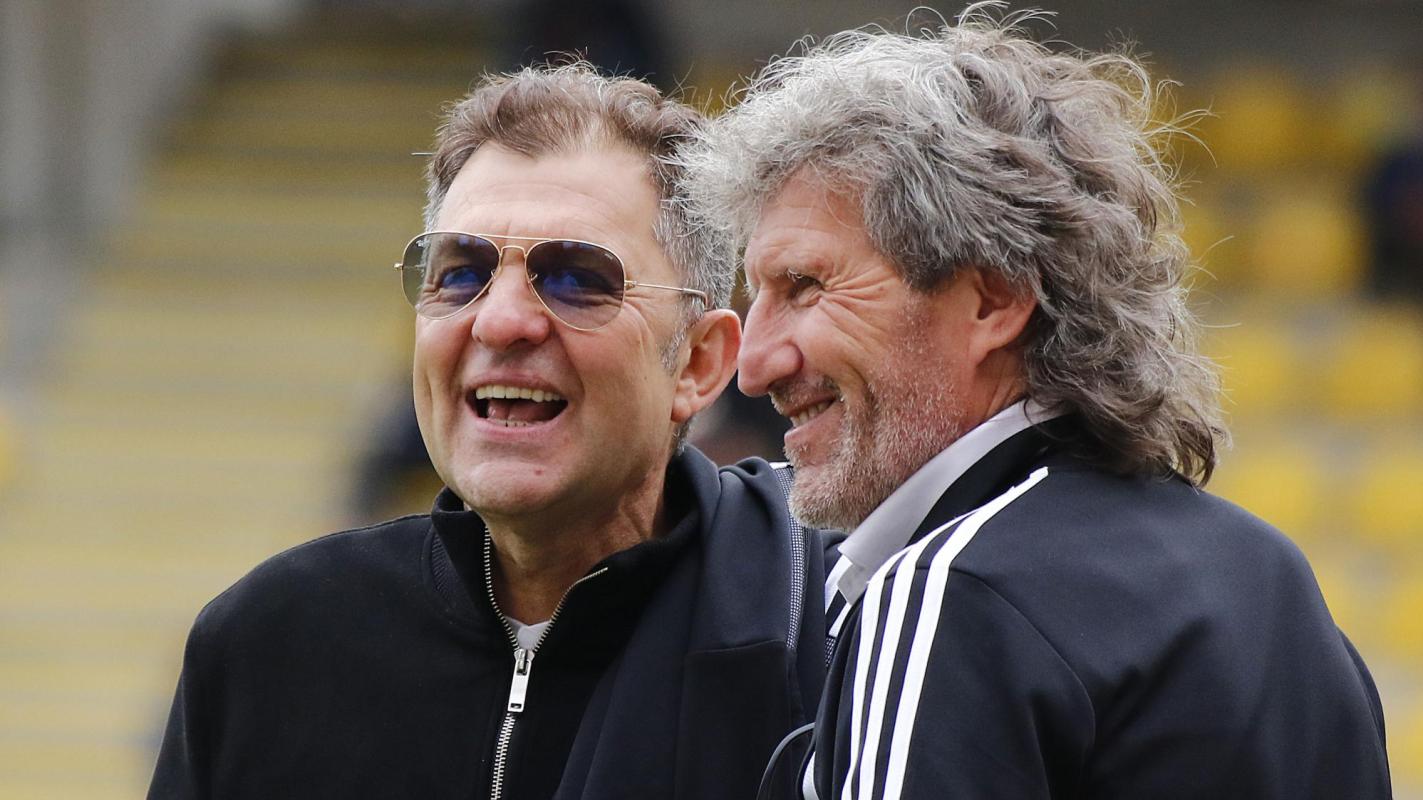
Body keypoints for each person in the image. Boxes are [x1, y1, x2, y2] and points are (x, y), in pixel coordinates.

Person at [677, 7, 1391, 798]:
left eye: (805, 286)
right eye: (754, 295)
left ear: (993, 301)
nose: (754, 366)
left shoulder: (950, 589)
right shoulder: (1264, 571)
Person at [148, 63, 827, 800]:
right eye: (460, 273)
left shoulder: (827, 633)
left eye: (577, 278)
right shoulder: (269, 642)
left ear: (698, 362)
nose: (500, 321)